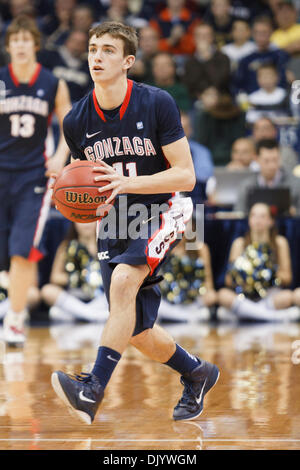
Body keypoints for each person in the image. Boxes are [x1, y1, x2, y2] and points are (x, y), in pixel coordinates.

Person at [51, 21, 219, 425]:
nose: (97, 56)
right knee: (137, 328)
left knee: (124, 281)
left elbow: (186, 175)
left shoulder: (156, 102)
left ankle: (92, 390)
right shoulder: (76, 120)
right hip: (117, 219)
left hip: (166, 208)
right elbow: (84, 181)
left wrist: (130, 182)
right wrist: (70, 192)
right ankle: (197, 373)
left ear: (128, 61)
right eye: (93, 48)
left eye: (108, 50)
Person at [0, 15, 71, 347]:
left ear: (35, 45)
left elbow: (68, 125)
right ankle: (13, 298)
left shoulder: (53, 82)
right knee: (8, 254)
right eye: (15, 40)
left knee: (23, 250)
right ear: (8, 46)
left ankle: (14, 319)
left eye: (26, 40)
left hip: (34, 176)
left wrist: (59, 157)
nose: (21, 45)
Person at [218, 202, 300, 322]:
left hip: (270, 295)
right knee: (223, 295)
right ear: (249, 220)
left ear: (271, 221)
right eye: (254, 216)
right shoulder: (239, 243)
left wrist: (265, 275)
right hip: (245, 296)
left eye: (263, 216)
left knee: (287, 296)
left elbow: (287, 277)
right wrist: (248, 277)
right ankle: (268, 316)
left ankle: (246, 313)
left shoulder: (280, 242)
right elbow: (229, 279)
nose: (258, 220)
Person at [41, 222, 109, 323]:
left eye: (90, 220)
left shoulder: (104, 245)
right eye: (82, 221)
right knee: (47, 291)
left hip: (99, 298)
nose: (86, 225)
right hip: (75, 298)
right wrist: (78, 278)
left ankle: (81, 314)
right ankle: (91, 315)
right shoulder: (66, 246)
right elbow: (55, 277)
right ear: (74, 224)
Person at [234, 139, 300, 215]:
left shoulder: (296, 184)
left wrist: (295, 213)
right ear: (256, 159)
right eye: (266, 161)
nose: (271, 166)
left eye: (275, 160)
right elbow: (239, 214)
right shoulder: (246, 186)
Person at [234, 15, 289, 96]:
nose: (261, 36)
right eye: (257, 32)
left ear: (271, 32)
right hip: (252, 103)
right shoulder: (245, 60)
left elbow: (286, 82)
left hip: (279, 102)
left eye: (264, 32)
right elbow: (238, 86)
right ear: (252, 34)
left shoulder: (281, 56)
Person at [38, 29, 93, 103]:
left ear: (85, 47)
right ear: (67, 41)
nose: (77, 46)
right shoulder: (50, 56)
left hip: (75, 107)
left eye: (81, 43)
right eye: (74, 41)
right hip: (50, 102)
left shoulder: (89, 65)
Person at [183, 22, 231, 100]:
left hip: (220, 99)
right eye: (199, 36)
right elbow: (190, 84)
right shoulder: (189, 62)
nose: (203, 38)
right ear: (194, 39)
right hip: (197, 99)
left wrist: (207, 59)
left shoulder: (223, 58)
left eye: (206, 35)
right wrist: (205, 93)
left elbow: (221, 82)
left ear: (212, 38)